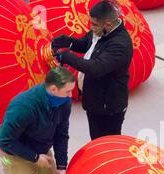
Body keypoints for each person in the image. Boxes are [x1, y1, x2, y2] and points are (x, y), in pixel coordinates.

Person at [51, 0, 133, 140]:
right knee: (95, 138)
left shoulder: (120, 44)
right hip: (94, 100)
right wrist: (68, 41)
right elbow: (86, 44)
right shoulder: (101, 30)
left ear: (108, 23)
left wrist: (67, 57)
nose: (91, 27)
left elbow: (96, 68)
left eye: (94, 24)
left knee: (106, 144)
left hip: (108, 108)